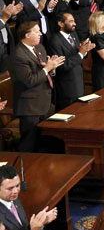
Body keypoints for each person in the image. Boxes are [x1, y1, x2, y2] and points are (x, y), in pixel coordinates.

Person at [12, 21, 64, 152]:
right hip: (30, 108)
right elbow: (29, 80)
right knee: (29, 144)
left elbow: (44, 71)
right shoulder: (18, 55)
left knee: (45, 143)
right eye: (37, 32)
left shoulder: (39, 47)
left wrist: (52, 68)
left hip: (45, 102)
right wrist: (47, 68)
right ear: (27, 35)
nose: (41, 34)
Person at [0, 163, 58, 230]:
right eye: (10, 188)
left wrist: (41, 223)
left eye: (17, 186)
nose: (16, 191)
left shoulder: (13, 199)